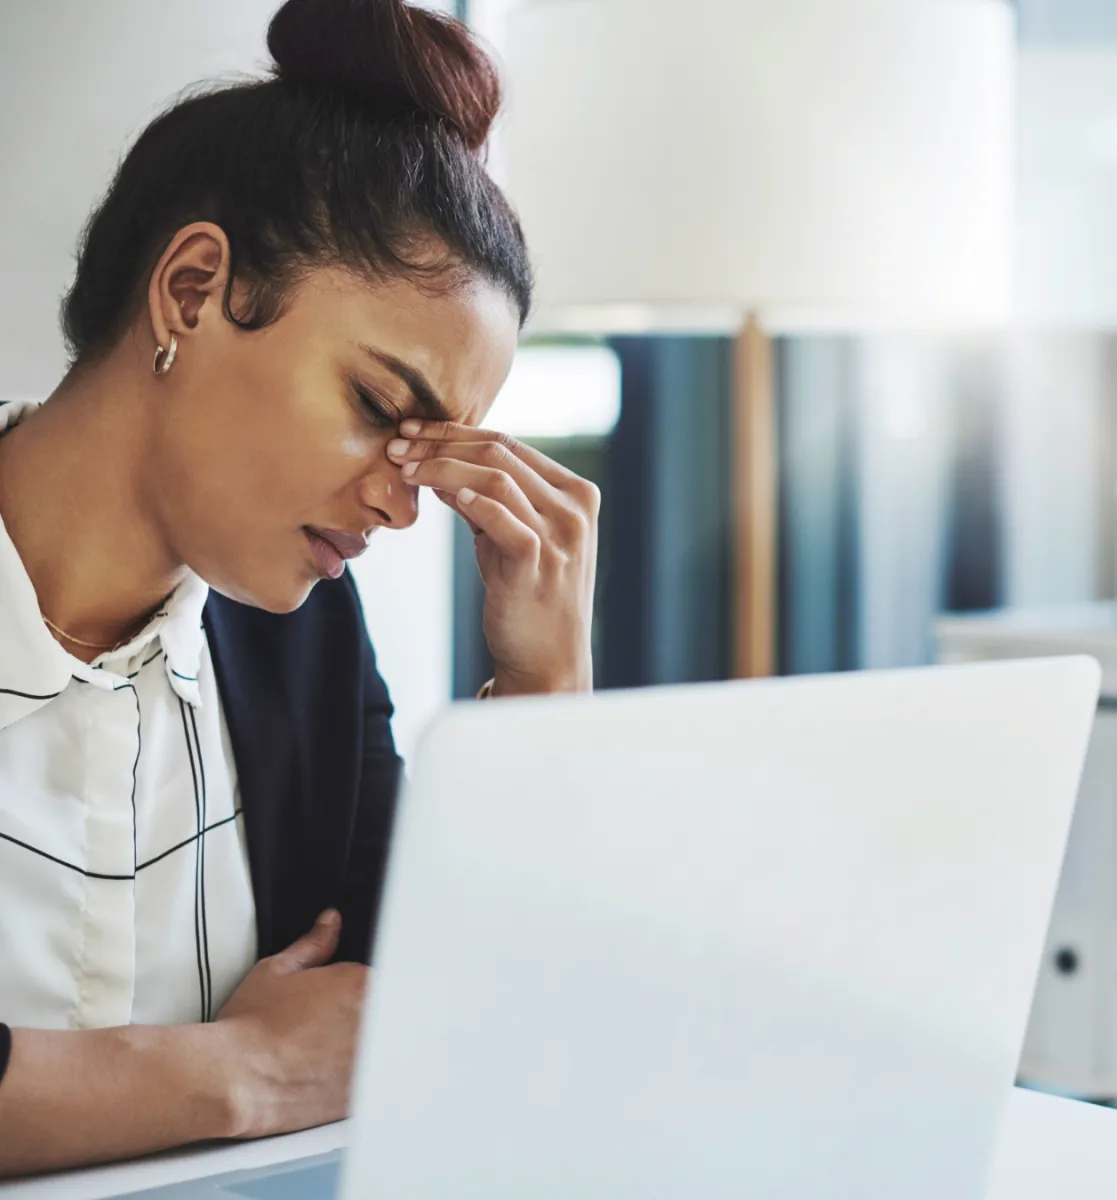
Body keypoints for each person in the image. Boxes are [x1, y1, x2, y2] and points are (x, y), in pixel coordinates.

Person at [0, 0, 599, 1176]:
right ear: (190, 290)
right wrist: (238, 1074)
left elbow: (449, 1018)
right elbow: (311, 1060)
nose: (404, 499)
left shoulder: (302, 643)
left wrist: (543, 683)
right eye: (383, 408)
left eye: (438, 448)